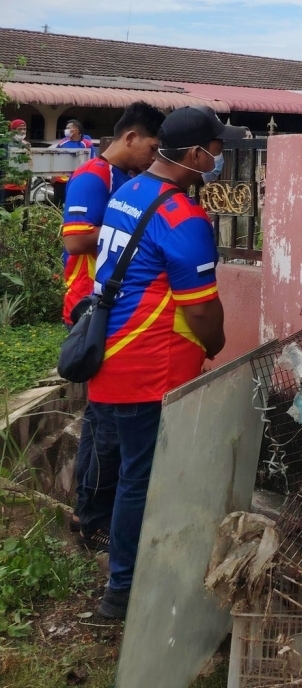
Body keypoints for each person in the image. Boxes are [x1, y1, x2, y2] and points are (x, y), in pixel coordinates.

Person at [89, 105, 239, 619]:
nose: (219, 158)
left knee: (131, 471)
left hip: (112, 354)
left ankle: (129, 575)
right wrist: (215, 343)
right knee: (144, 478)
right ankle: (126, 591)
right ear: (195, 155)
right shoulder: (183, 218)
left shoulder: (128, 192)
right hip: (149, 365)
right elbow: (200, 308)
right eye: (216, 150)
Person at [61, 102, 166, 552]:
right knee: (104, 428)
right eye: (152, 147)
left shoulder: (127, 178)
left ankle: (87, 512)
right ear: (130, 137)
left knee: (99, 421)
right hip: (91, 308)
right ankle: (92, 520)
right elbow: (75, 239)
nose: (154, 157)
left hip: (113, 309)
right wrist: (137, 227)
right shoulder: (93, 177)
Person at [2, 118, 31, 207]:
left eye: (24, 129)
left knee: (19, 210)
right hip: (6, 185)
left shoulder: (27, 144)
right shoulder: (4, 143)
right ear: (12, 130)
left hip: (22, 185)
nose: (23, 131)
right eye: (20, 129)